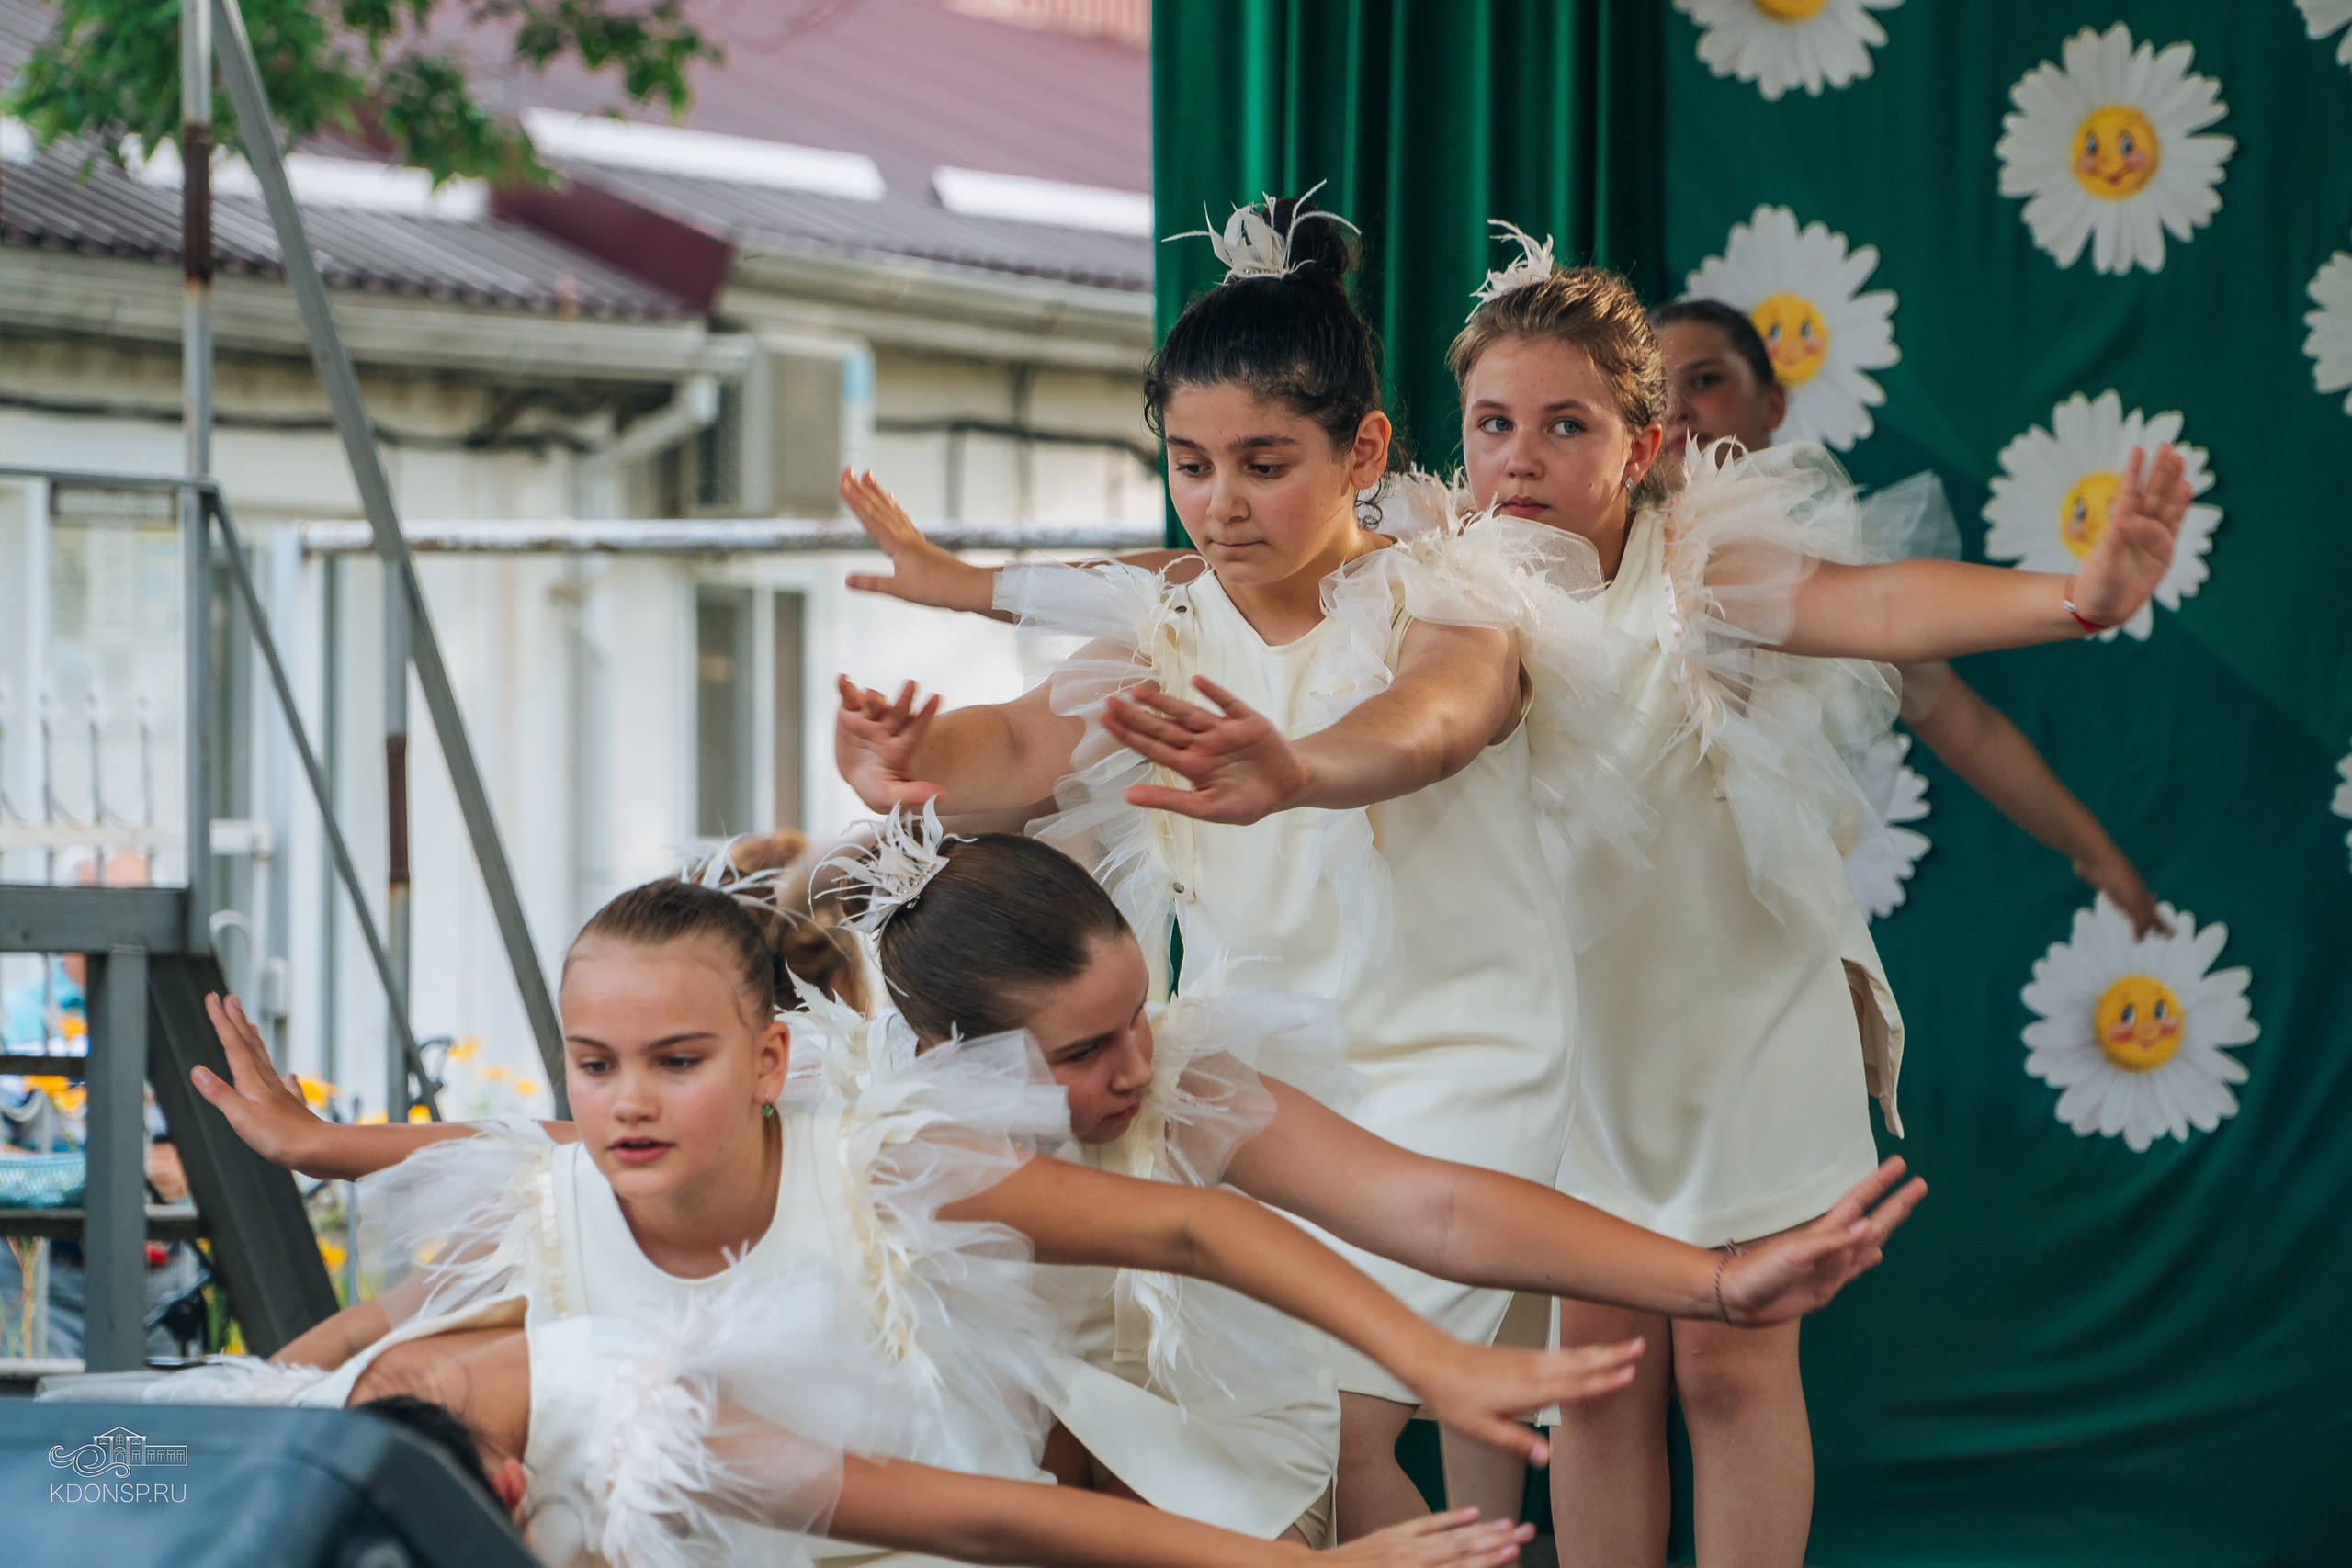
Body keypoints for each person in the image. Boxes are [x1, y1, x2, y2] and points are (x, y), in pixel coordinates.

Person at [831, 193, 1641, 1535]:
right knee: (1271, 1422)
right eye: (1190, 463)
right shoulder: (1158, 625)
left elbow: (1436, 717)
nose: (1219, 503)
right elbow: (1015, 745)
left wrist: (1298, 767)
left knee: (1338, 1416)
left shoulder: (1453, 591)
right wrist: (903, 763)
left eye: (1264, 463)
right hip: (1252, 1075)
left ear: (1362, 447)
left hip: (1463, 1060)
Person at [1442, 231, 2190, 1568]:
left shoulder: (1700, 569)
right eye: (1494, 423)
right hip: (1577, 1039)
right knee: (1597, 1373)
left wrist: (2078, 599)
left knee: (1731, 1370)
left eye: (1565, 424)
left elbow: (1885, 604)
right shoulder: (1445, 594)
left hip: (1741, 1026)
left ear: (1641, 445)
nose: (1521, 458)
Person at [192, 863, 1642, 1535]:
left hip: (1032, 1487)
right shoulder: (560, 1223)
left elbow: (1193, 1237)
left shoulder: (882, 1162)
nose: (627, 1097)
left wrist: (1432, 1352)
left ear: (771, 1063)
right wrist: (322, 1164)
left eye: (677, 1060)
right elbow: (487, 1202)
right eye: (595, 1061)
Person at [790, 809, 1921, 1547]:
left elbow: (1431, 1206)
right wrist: (1432, 1360)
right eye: (1083, 1052)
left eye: (1136, 1014)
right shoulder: (913, 1149)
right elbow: (1190, 1238)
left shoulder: (1174, 1077)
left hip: (1189, 1481)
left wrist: (1713, 1284)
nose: (1136, 1064)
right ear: (949, 1055)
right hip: (967, 1510)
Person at [47, 1266, 1536, 1568]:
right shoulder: (281, 1412)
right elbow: (379, 1315)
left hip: (889, 1425)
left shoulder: (646, 1422)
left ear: (505, 1492)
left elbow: (978, 1508)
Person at [1652, 297, 2168, 935]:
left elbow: (1969, 727)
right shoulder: (1618, 552)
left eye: (1705, 380)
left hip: (1764, 927)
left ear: (1774, 401)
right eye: (1653, 392)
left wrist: (2096, 852)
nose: (1676, 408)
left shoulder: (1833, 561)